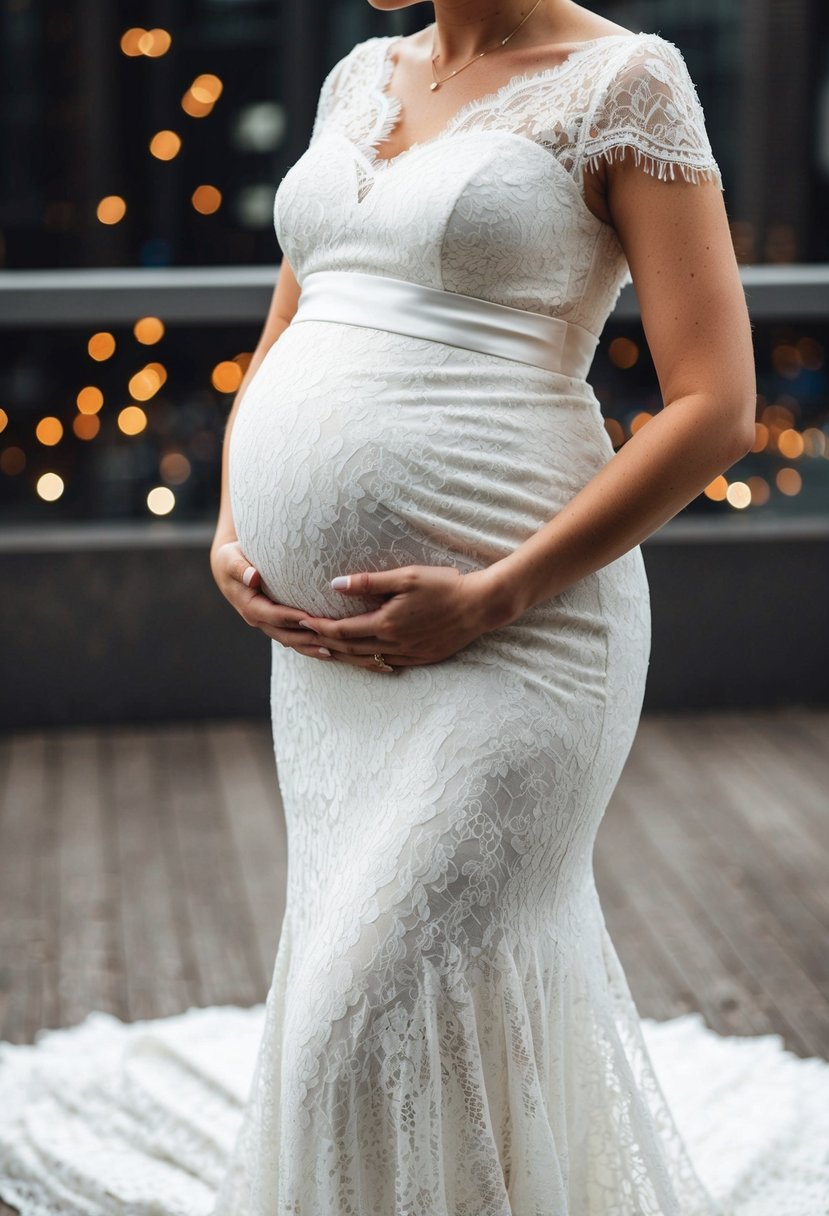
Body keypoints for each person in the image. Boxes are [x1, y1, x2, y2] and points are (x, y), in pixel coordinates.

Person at [1, 3, 827, 1215]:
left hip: (530, 635)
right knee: (402, 988)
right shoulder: (357, 78)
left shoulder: (627, 82)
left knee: (361, 1005)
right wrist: (233, 523)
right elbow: (289, 332)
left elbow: (716, 403)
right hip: (332, 665)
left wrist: (499, 591)